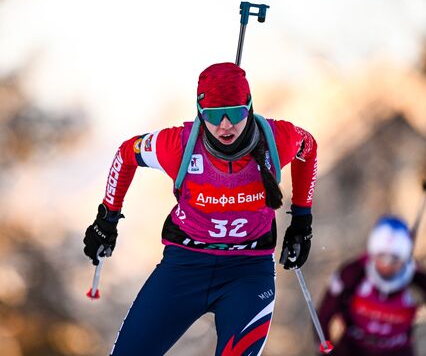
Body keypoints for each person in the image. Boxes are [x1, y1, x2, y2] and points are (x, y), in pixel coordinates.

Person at [83, 62, 318, 356]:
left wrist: (301, 220)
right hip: (184, 267)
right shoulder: (176, 146)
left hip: (247, 272)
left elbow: (309, 147)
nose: (225, 125)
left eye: (235, 113)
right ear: (199, 113)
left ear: (249, 106)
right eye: (214, 116)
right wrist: (107, 219)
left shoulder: (277, 140)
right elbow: (126, 154)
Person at [317, 216, 426, 356]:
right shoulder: (352, 272)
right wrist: (327, 350)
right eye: (381, 257)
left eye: (394, 259)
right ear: (372, 253)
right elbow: (323, 317)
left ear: (404, 258)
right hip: (351, 350)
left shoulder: (419, 280)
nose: (386, 265)